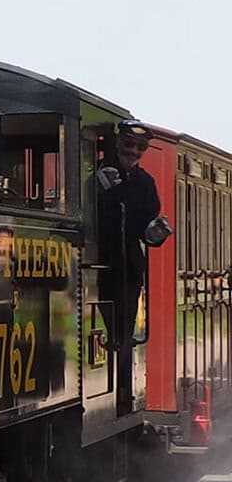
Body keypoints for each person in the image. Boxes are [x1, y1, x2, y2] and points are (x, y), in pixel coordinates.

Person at [95, 120, 172, 408]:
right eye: (129, 144)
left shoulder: (145, 183)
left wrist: (154, 234)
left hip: (127, 268)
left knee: (124, 332)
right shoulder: (97, 174)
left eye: (140, 147)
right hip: (97, 261)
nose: (134, 151)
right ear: (117, 144)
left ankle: (123, 390)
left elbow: (145, 227)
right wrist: (98, 191)